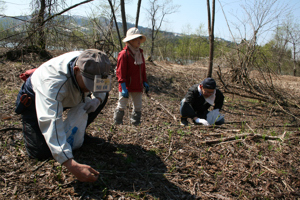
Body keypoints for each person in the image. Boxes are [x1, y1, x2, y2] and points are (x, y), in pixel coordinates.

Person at [15, 49, 112, 182]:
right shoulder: (53, 83)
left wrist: (98, 99)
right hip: (35, 99)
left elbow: (102, 87)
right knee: (40, 153)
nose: (90, 89)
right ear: (77, 69)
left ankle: (79, 132)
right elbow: (50, 121)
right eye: (89, 83)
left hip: (72, 95)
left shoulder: (96, 64)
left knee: (102, 97)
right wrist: (70, 164)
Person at [114, 27, 149, 125]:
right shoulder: (124, 54)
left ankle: (135, 123)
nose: (138, 41)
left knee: (138, 106)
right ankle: (117, 123)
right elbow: (120, 71)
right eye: (136, 39)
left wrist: (145, 81)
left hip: (137, 85)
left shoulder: (140, 53)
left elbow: (142, 70)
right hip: (126, 85)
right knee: (122, 105)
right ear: (130, 40)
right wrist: (123, 86)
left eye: (139, 39)